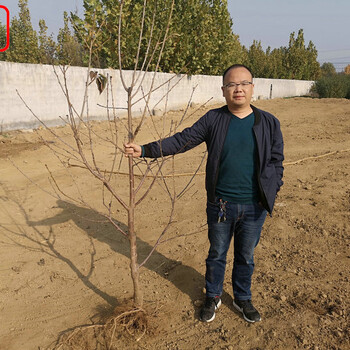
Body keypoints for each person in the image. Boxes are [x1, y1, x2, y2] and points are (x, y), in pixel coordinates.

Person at [124, 64, 284, 323]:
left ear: (253, 87)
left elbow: (277, 160)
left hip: (255, 207)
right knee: (217, 253)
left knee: (246, 256)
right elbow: (182, 140)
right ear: (223, 90)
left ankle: (243, 298)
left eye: (243, 83)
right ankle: (213, 295)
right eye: (232, 84)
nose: (238, 89)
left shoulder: (268, 122)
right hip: (221, 204)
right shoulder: (214, 120)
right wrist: (145, 150)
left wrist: (272, 188)